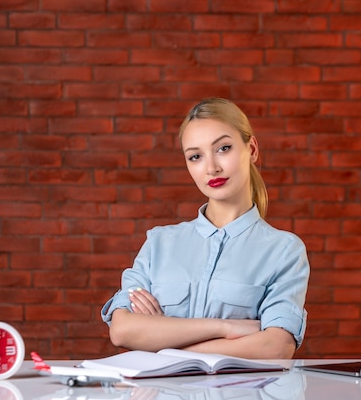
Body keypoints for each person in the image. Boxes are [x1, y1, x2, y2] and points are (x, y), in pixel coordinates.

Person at [101, 98, 310, 359]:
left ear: (252, 149)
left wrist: (160, 341)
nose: (211, 167)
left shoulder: (284, 250)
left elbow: (276, 347)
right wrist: (225, 327)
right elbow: (122, 331)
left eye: (223, 148)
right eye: (196, 156)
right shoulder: (159, 243)